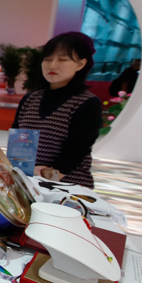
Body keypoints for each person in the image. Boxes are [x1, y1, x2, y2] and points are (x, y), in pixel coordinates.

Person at [12, 32, 101, 188]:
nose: (52, 65)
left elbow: (77, 149)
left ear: (80, 64)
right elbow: (18, 142)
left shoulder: (86, 103)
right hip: (28, 183)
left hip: (67, 187)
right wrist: (19, 174)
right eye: (48, 59)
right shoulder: (30, 100)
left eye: (63, 60)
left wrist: (47, 175)